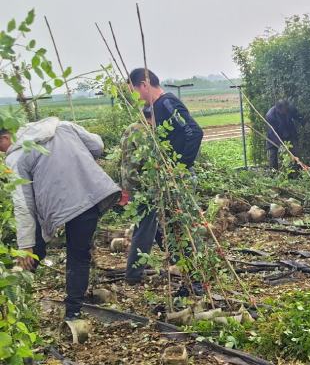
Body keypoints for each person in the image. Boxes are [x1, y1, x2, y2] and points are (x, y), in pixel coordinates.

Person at [0, 118, 120, 325]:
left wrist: (25, 246)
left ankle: (13, 303)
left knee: (34, 250)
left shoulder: (16, 157)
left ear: (5, 137)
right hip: (89, 194)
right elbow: (98, 145)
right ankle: (73, 313)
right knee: (78, 255)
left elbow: (23, 205)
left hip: (59, 205)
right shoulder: (61, 126)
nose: (2, 153)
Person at [126, 69, 204, 284]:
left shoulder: (168, 104)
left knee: (182, 226)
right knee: (171, 225)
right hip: (167, 179)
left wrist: (180, 166)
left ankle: (196, 277)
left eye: (134, 90)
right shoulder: (152, 108)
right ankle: (187, 273)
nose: (136, 96)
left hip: (179, 177)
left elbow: (194, 132)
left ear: (144, 84)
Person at [265, 99, 301, 169]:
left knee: (294, 152)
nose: (286, 112)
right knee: (273, 154)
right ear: (278, 109)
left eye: (287, 109)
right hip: (274, 136)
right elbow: (274, 132)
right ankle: (274, 173)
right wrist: (280, 145)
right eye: (284, 110)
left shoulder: (290, 109)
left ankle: (295, 170)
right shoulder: (270, 116)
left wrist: (303, 122)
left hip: (288, 132)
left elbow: (298, 116)